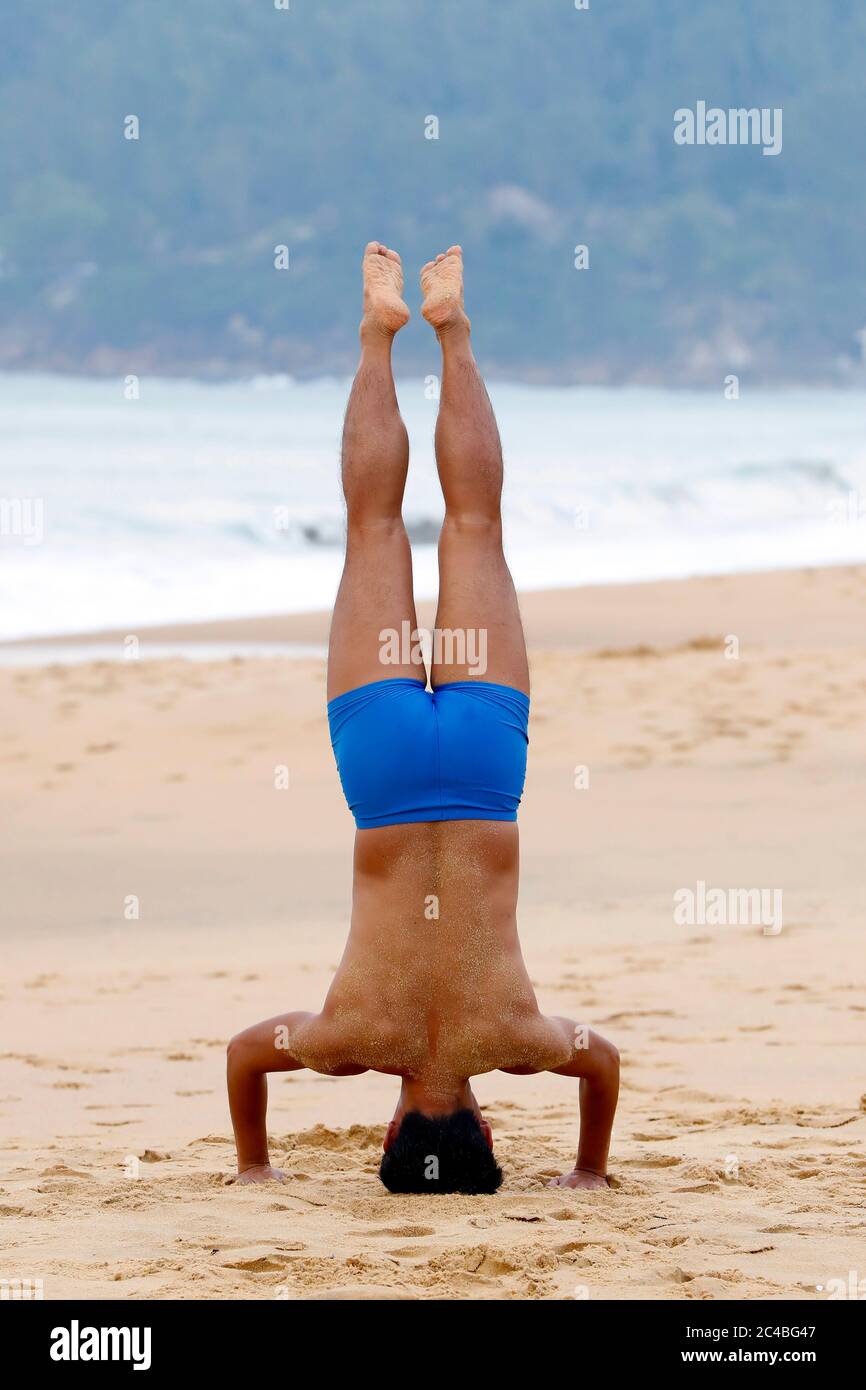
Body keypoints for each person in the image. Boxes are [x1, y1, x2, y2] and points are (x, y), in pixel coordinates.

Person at [227, 243, 619, 1194]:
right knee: (374, 526)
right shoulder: (346, 1041)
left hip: (485, 767)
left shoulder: (519, 1041)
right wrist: (255, 1167)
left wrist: (589, 1170)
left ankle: (451, 330)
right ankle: (376, 334)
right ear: (393, 1127)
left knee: (477, 522)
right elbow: (244, 1054)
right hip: (385, 771)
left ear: (484, 1125)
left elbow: (602, 1063)